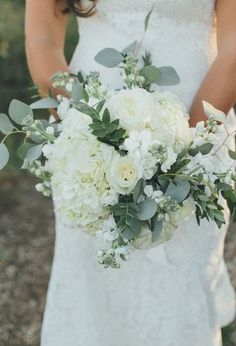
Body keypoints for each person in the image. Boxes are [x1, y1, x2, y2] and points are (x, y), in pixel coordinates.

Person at [25, 1, 236, 345]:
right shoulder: (84, 137)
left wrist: (179, 155)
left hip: (200, 127)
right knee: (91, 283)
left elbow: (233, 49)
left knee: (181, 283)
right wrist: (86, 133)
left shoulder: (192, 147)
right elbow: (42, 38)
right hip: (85, 137)